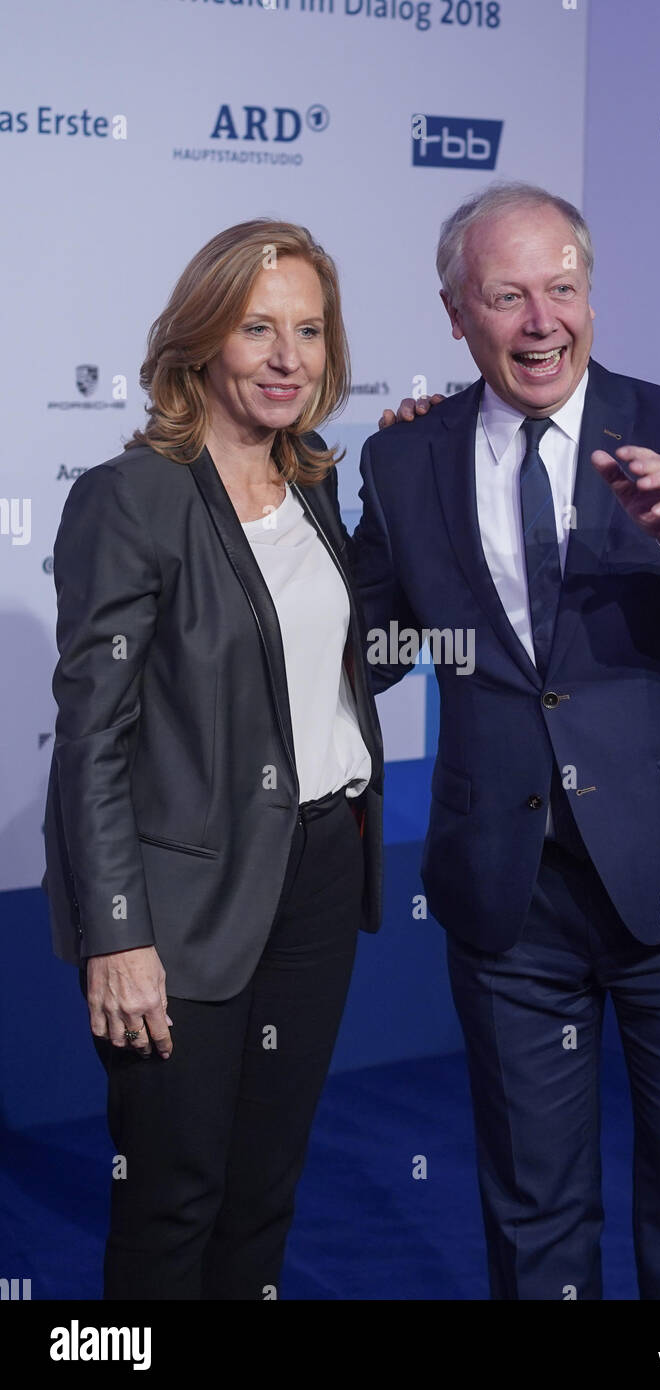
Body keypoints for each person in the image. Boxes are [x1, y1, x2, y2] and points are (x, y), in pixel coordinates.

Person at [352, 182, 660, 1300]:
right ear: (455, 311)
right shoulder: (404, 461)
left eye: (562, 289)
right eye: (507, 296)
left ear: (592, 299)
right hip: (509, 895)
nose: (541, 321)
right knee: (532, 1205)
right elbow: (365, 651)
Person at [41, 218, 384, 1301]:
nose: (289, 357)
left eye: (310, 331)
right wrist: (118, 934)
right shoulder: (130, 495)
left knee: (263, 1188)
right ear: (202, 341)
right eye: (258, 328)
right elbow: (91, 734)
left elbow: (331, 669)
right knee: (172, 1197)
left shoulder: (317, 486)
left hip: (317, 873)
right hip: (183, 900)